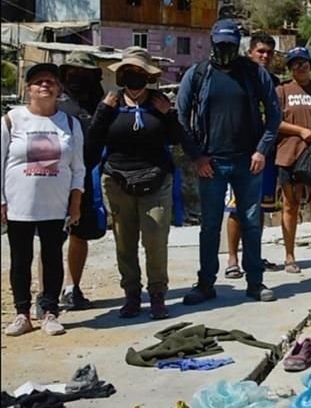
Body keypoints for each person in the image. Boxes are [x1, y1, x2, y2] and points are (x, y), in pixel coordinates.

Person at [177, 19, 281, 304]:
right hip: (211, 163)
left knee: (251, 222)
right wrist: (197, 156)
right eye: (220, 44)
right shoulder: (197, 74)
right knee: (210, 225)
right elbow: (180, 118)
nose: (225, 49)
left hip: (248, 162)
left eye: (230, 45)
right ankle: (206, 283)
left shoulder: (253, 73)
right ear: (212, 41)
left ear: (238, 45)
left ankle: (255, 282)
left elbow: (274, 115)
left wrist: (261, 150)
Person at [86, 47, 182, 319]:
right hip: (117, 182)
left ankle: (157, 295)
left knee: (155, 241)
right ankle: (131, 295)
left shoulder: (160, 103)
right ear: (121, 76)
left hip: (156, 179)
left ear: (148, 76)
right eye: (128, 71)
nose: (134, 76)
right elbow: (93, 140)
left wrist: (169, 114)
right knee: (124, 243)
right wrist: (104, 112)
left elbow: (176, 139)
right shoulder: (110, 103)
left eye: (139, 72)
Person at [2, 63, 84, 336]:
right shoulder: (11, 120)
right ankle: (22, 313)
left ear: (59, 89)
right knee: (20, 260)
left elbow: (78, 169)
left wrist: (75, 202)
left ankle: (50, 311)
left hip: (55, 205)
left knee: (52, 258)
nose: (45, 85)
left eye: (50, 81)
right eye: (38, 82)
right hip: (19, 206)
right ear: (28, 89)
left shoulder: (70, 123)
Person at [224, 32, 283, 279]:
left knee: (259, 207)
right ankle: (232, 258)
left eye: (269, 52)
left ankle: (253, 255)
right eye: (260, 51)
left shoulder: (273, 81)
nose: (265, 56)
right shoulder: (237, 77)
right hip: (240, 151)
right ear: (250, 53)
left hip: (266, 152)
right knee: (236, 207)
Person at [56, 52, 107, 311]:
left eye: (84, 74)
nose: (78, 78)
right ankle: (47, 294)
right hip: (56, 179)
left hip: (88, 177)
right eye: (72, 73)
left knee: (80, 234)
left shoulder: (101, 103)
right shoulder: (55, 104)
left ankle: (71, 288)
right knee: (52, 238)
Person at [273, 46, 311, 273]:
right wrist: (299, 130)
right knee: (290, 205)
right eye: (295, 63)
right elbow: (273, 123)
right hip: (289, 155)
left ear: (310, 64)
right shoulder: (281, 91)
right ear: (290, 68)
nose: (300, 66)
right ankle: (289, 256)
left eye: (304, 62)